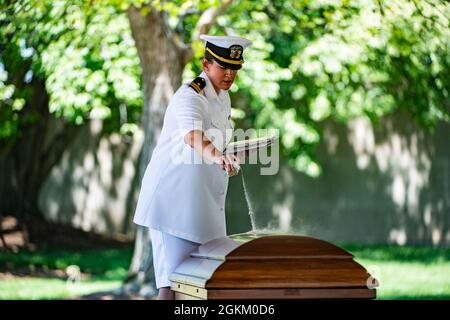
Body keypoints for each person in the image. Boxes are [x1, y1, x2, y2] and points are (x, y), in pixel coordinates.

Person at [133, 34, 252, 300]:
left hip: (201, 204)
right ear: (206, 64)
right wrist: (218, 157)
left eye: (235, 68)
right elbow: (193, 136)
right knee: (174, 283)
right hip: (173, 204)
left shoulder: (222, 97)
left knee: (198, 283)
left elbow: (216, 142)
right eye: (224, 66)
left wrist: (234, 154)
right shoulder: (191, 94)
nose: (230, 74)